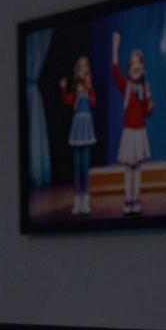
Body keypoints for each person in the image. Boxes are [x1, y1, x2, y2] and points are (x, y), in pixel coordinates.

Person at [111, 31, 154, 216]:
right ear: (129, 69)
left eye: (139, 62)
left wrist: (150, 103)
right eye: (133, 63)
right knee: (128, 168)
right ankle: (127, 200)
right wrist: (115, 46)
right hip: (129, 132)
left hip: (140, 132)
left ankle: (135, 200)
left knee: (138, 168)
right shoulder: (125, 85)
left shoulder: (144, 88)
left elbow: (146, 112)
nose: (136, 66)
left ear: (143, 68)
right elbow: (114, 71)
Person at [60, 56, 98, 215]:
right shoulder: (76, 89)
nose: (84, 69)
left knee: (85, 166)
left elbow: (94, 103)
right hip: (77, 128)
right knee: (77, 166)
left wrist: (89, 89)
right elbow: (68, 101)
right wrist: (63, 88)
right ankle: (77, 200)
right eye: (81, 66)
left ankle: (86, 200)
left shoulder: (89, 89)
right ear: (77, 71)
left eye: (86, 66)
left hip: (87, 128)